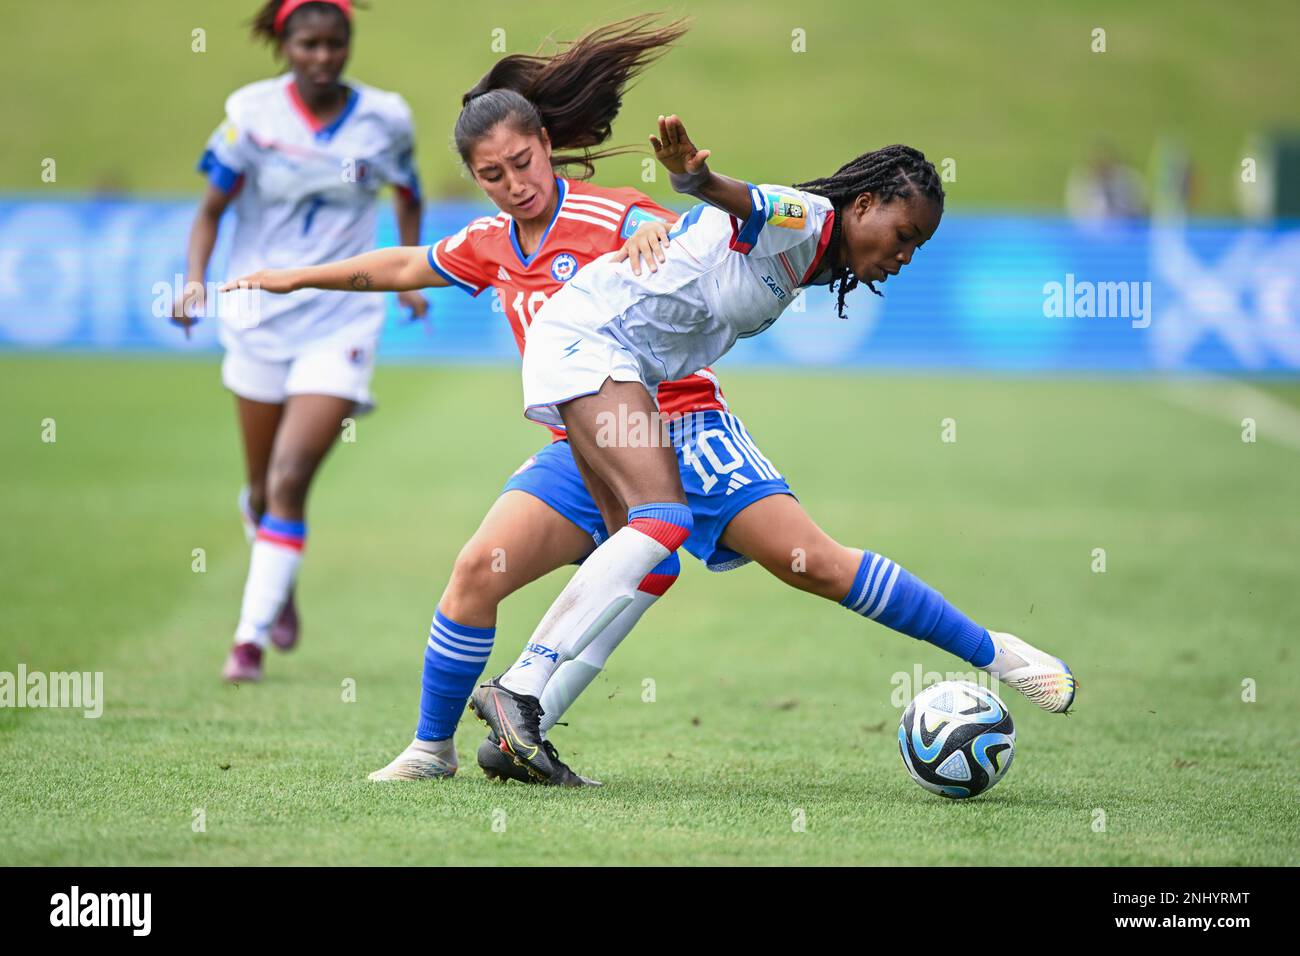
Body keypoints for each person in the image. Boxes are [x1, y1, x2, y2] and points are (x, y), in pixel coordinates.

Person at [461, 114, 1077, 782]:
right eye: (903, 235)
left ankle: (523, 732)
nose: (905, 256)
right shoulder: (808, 216)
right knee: (670, 524)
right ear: (863, 204)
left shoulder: (818, 256)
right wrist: (696, 178)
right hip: (598, 347)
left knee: (665, 557)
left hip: (625, 369)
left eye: (918, 247)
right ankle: (519, 690)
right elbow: (746, 200)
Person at [175, 0, 426, 683]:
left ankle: (247, 642)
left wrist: (406, 274)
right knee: (261, 490)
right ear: (285, 43)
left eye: (335, 44)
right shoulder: (251, 113)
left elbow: (407, 194)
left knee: (290, 477)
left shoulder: (386, 118)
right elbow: (210, 210)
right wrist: (194, 282)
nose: (323, 57)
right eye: (309, 44)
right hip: (256, 316)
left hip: (342, 321)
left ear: (349, 44)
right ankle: (277, 579)